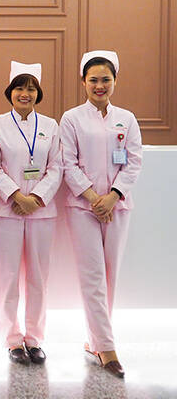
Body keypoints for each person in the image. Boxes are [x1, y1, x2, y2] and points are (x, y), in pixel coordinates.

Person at [60, 50, 142, 379]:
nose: (99, 85)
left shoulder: (127, 118)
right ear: (83, 82)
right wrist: (95, 198)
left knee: (110, 276)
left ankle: (94, 340)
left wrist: (113, 196)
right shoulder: (72, 119)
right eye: (93, 80)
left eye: (105, 79)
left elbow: (133, 161)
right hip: (83, 207)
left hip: (117, 206)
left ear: (115, 81)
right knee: (93, 276)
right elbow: (67, 163)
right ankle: (107, 348)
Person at [0, 61, 62, 365]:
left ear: (38, 93)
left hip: (41, 212)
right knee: (8, 277)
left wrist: (36, 198)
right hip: (7, 210)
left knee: (38, 277)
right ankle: (12, 339)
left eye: (31, 88)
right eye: (19, 87)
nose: (25, 93)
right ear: (10, 91)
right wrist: (16, 195)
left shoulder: (51, 126)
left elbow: (56, 167)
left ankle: (34, 337)